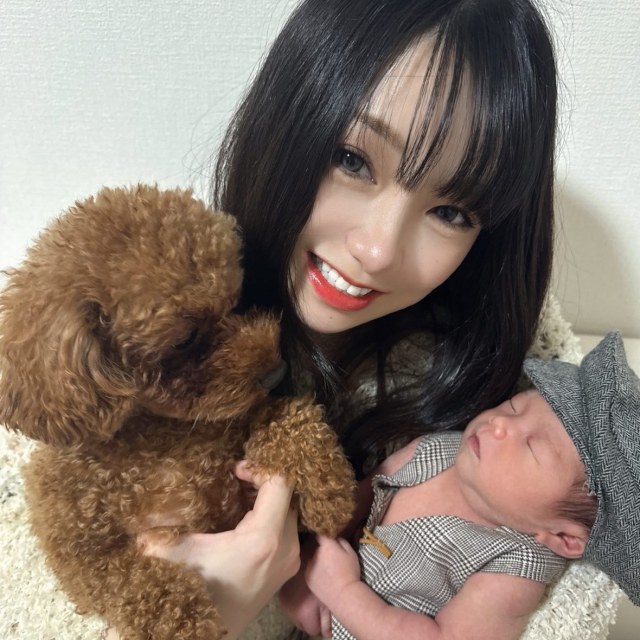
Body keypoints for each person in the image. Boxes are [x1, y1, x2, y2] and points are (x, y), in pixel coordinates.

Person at [134, 0, 560, 637]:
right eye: (353, 160)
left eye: (451, 212)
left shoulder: (502, 397)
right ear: (287, 116)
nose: (379, 250)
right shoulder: (141, 325)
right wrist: (207, 617)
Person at [301, 332, 640, 640]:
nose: (500, 424)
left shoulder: (515, 562)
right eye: (514, 406)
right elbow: (354, 500)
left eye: (532, 447)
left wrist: (343, 591)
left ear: (564, 537)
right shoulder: (440, 447)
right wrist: (313, 556)